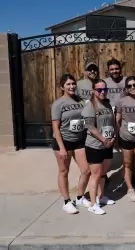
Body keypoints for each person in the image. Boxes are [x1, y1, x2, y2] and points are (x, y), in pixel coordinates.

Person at [51, 74, 91, 214]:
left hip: (79, 140)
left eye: (73, 84)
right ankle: (66, 201)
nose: (72, 86)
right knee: (64, 171)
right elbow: (55, 126)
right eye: (68, 84)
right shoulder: (58, 103)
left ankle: (80, 197)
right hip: (64, 141)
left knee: (86, 170)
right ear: (62, 86)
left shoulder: (80, 100)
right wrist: (61, 147)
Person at [82, 79, 116, 215]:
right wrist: (103, 140)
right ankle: (92, 203)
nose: (102, 92)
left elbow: (111, 123)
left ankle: (101, 197)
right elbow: (90, 127)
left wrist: (113, 138)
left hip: (107, 144)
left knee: (103, 172)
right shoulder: (90, 105)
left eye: (104, 89)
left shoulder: (107, 104)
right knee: (95, 175)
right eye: (99, 90)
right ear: (93, 91)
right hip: (95, 145)